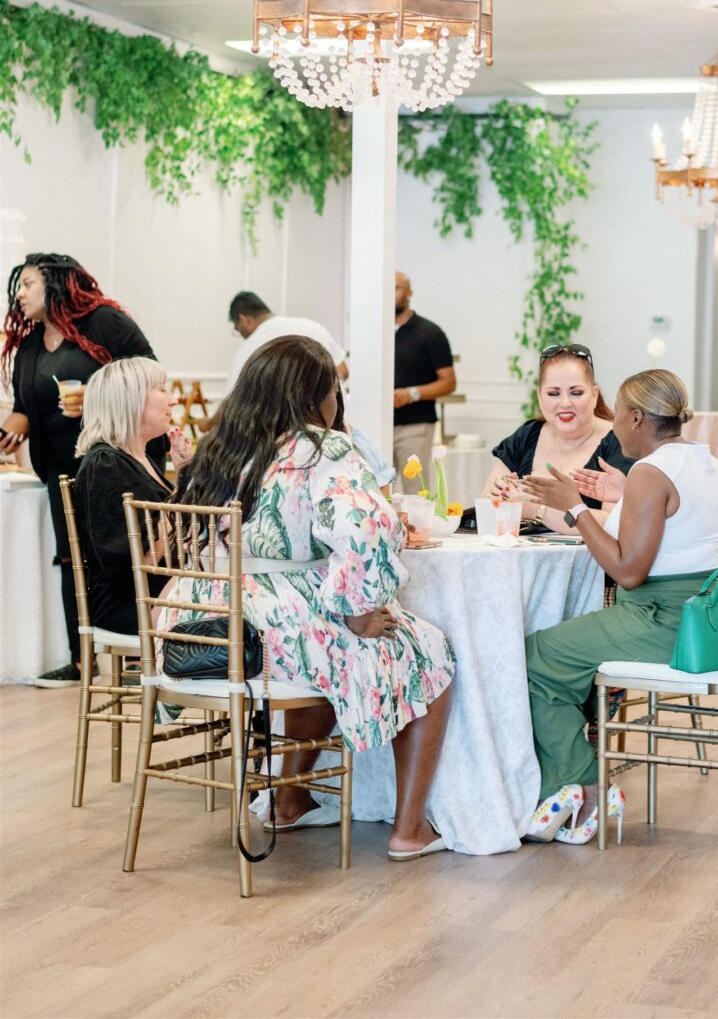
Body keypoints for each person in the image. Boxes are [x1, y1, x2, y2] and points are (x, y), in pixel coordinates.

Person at [168, 335, 455, 860]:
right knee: (430, 650)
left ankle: (288, 799)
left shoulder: (220, 447)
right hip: (279, 634)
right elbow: (368, 528)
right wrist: (361, 612)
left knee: (325, 655)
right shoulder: (323, 449)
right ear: (313, 394)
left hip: (205, 626)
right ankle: (410, 828)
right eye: (334, 388)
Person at [519, 369, 718, 845]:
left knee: (536, 657)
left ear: (637, 418)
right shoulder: (700, 458)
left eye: (616, 413)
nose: (610, 424)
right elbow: (678, 522)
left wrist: (575, 507)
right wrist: (620, 496)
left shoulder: (650, 474)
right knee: (557, 651)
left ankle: (584, 785)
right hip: (711, 617)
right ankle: (579, 780)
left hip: (663, 620)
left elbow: (629, 571)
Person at [0, 254, 163, 687]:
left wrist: (96, 393)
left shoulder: (104, 323)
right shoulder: (31, 346)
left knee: (128, 553)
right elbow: (23, 411)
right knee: (73, 557)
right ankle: (81, 659)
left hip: (115, 464)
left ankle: (142, 652)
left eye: (27, 283)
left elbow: (147, 374)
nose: (18, 293)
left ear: (55, 285)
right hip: (61, 469)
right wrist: (11, 431)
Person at [74, 357, 187, 636]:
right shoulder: (105, 463)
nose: (173, 400)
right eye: (162, 390)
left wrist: (185, 478)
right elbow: (144, 560)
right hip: (131, 602)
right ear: (131, 399)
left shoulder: (139, 459)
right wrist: (185, 495)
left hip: (156, 589)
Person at [481, 342, 633, 535]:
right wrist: (500, 494)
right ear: (539, 396)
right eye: (553, 393)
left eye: (576, 393)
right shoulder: (527, 435)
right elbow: (486, 504)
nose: (565, 403)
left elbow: (611, 523)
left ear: (594, 395)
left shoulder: (619, 442)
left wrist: (535, 510)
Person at [394, 272, 456, 492]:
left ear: (409, 292)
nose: (390, 294)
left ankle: (421, 528)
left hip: (415, 426)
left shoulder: (430, 333)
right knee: (375, 490)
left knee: (416, 491)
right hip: (377, 424)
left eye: (396, 288)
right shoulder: (375, 332)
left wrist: (412, 394)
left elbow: (449, 382)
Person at [225, 291, 348, 394]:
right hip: (337, 418)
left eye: (237, 328)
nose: (240, 333)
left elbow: (231, 401)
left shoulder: (249, 348)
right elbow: (343, 371)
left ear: (244, 319)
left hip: (290, 422)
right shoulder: (313, 327)